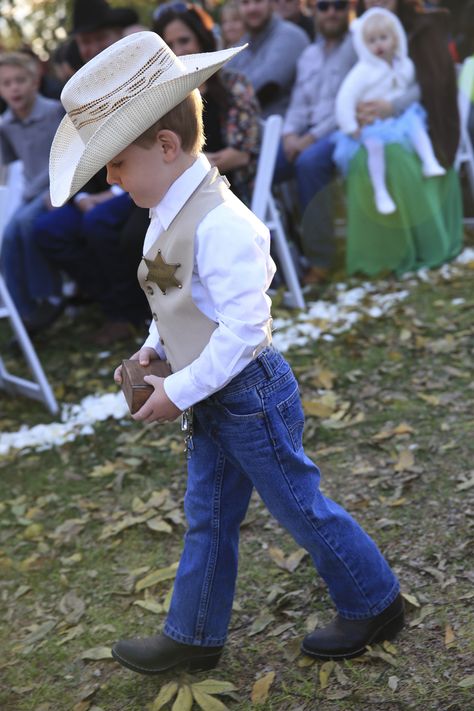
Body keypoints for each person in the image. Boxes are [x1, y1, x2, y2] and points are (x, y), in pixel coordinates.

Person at [49, 30, 404, 675]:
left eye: (118, 162)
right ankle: (194, 634)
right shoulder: (163, 211)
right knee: (208, 516)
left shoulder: (223, 224)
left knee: (299, 503)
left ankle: (375, 599)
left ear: (164, 146)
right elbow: (175, 300)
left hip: (247, 397)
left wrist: (178, 391)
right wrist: (154, 352)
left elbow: (244, 333)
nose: (110, 177)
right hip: (209, 394)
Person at [34, 0, 149, 344]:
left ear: (116, 36)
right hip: (94, 190)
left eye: (100, 38)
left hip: (142, 183)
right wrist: (80, 196)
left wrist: (105, 196)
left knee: (98, 222)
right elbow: (73, 154)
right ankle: (112, 306)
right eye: (85, 41)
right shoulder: (75, 93)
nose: (92, 48)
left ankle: (132, 312)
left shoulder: (140, 75)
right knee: (48, 229)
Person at [345, 0, 463, 277]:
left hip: (428, 122)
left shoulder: (425, 27)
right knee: (362, 157)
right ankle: (382, 256)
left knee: (396, 158)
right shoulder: (362, 33)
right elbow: (359, 82)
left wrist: (392, 105)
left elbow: (432, 82)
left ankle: (423, 245)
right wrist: (361, 111)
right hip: (378, 126)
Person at [272, 0, 356, 284]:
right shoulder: (308, 54)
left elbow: (348, 104)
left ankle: (322, 260)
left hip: (345, 129)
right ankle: (277, 259)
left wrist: (308, 139)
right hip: (305, 132)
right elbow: (297, 103)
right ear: (314, 11)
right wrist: (288, 135)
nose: (331, 12)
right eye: (323, 6)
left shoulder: (358, 47)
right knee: (263, 166)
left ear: (350, 9)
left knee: (309, 162)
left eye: (338, 5)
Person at [334, 8, 445, 216]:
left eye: (383, 38)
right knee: (375, 148)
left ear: (396, 39)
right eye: (372, 40)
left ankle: (430, 162)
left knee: (416, 124)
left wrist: (395, 106)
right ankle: (380, 191)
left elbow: (411, 87)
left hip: (398, 119)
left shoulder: (405, 65)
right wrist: (350, 126)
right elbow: (344, 99)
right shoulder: (362, 72)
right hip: (371, 125)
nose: (378, 45)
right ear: (363, 44)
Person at [153, 3, 261, 205]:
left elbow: (241, 154)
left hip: (227, 191)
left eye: (184, 40)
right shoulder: (166, 97)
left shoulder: (233, 84)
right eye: (170, 46)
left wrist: (185, 167)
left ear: (202, 39)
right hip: (172, 193)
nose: (178, 51)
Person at [0, 51, 64, 331]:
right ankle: (23, 312)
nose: (14, 88)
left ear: (35, 82)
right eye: (6, 83)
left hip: (56, 187)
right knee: (8, 236)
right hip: (30, 192)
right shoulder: (5, 125)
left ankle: (48, 295)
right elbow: (6, 167)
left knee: (26, 224)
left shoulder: (54, 111)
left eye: (20, 80)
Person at [227, 0, 310, 117]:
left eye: (258, 1)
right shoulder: (244, 42)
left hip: (283, 130)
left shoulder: (290, 36)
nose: (252, 8)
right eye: (245, 3)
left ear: (271, 3)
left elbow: (264, 87)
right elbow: (221, 78)